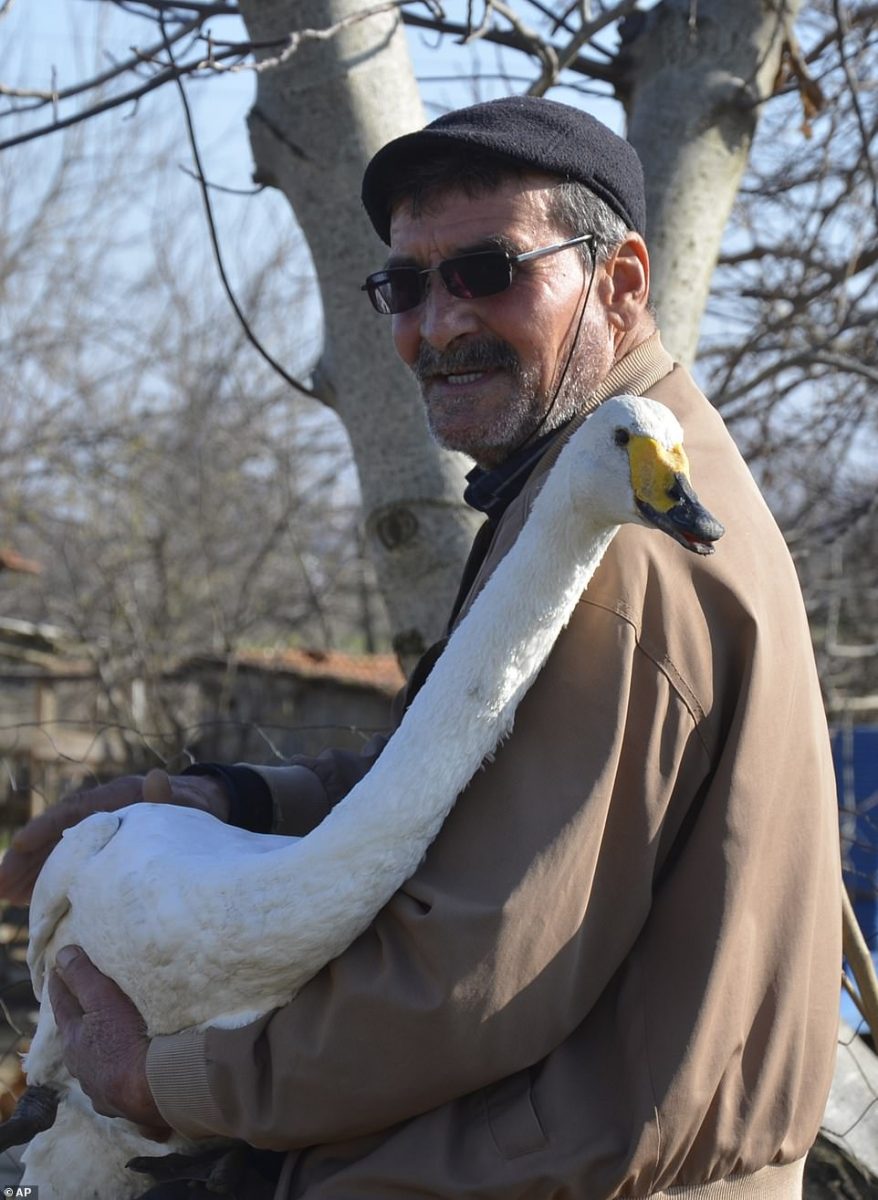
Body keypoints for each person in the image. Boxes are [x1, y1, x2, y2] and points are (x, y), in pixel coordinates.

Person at [0, 97, 841, 1199]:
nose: (436, 325)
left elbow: (469, 974)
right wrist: (230, 800)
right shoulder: (585, 483)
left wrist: (166, 1084)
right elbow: (469, 789)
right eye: (404, 285)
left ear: (621, 282)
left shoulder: (618, 554)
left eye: (488, 271)